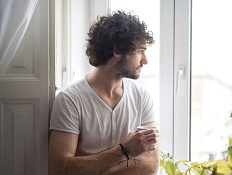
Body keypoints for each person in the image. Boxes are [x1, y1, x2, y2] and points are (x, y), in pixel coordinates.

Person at [49, 10, 160, 175]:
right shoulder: (69, 100)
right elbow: (59, 169)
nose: (145, 60)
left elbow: (151, 165)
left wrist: (92, 168)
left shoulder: (142, 96)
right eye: (139, 51)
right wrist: (125, 151)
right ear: (117, 51)